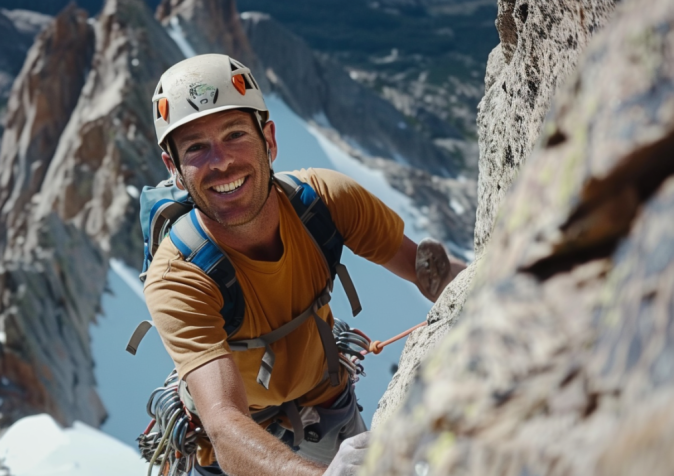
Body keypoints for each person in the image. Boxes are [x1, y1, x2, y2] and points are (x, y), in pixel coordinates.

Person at [143, 54, 465, 476]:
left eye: (235, 134)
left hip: (327, 407)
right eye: (196, 148)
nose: (220, 162)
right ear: (175, 171)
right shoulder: (178, 277)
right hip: (243, 450)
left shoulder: (325, 202)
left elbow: (432, 276)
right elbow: (224, 424)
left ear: (269, 140)